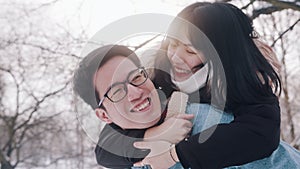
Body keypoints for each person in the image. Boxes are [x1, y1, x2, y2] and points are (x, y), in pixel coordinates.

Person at [73, 45, 300, 169]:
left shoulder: (202, 119)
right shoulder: (127, 158)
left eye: (136, 77)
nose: (135, 92)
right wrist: (155, 136)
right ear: (103, 116)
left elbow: (267, 141)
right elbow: (103, 151)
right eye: (116, 91)